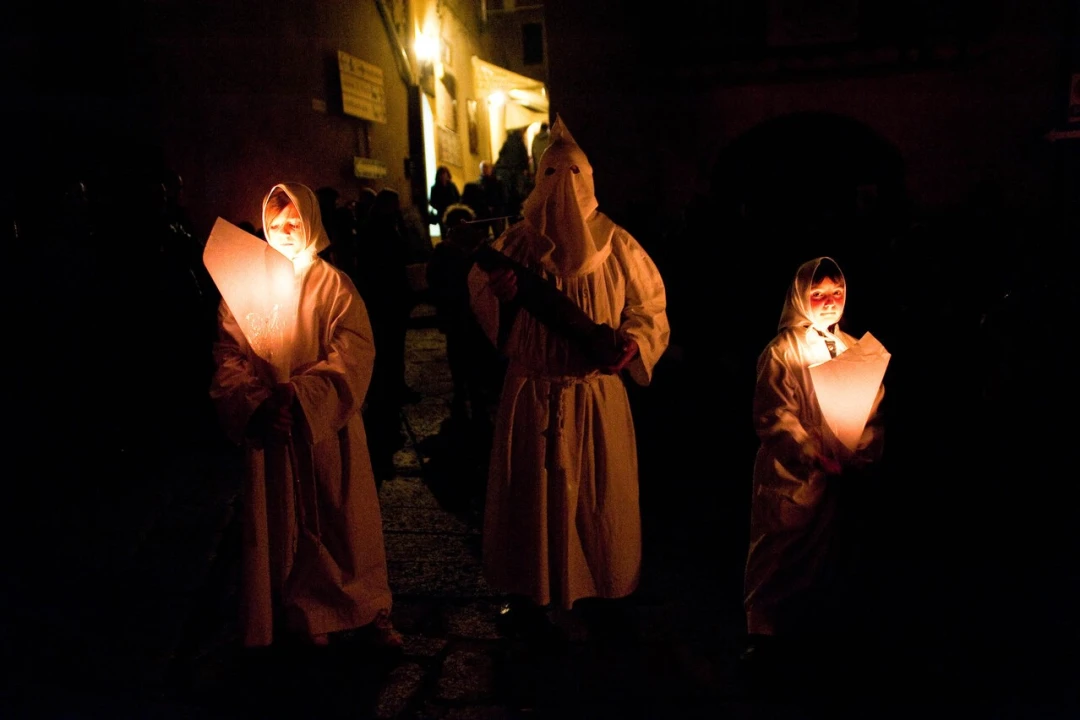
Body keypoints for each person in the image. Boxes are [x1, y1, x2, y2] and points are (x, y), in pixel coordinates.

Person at [468, 116, 670, 637]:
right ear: (539, 178)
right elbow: (481, 297)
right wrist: (502, 298)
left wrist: (634, 342)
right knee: (532, 495)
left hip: (592, 391)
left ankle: (599, 583)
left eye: (573, 172)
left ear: (590, 177)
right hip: (533, 390)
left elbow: (649, 307)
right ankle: (532, 588)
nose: (563, 184)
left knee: (596, 498)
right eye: (552, 172)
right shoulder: (516, 245)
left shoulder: (617, 244)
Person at [209, 182, 402, 650]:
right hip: (274, 431)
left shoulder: (333, 285)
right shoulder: (244, 282)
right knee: (281, 522)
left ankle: (361, 608)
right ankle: (295, 614)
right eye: (276, 223)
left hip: (325, 428)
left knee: (342, 520)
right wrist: (258, 404)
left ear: (312, 221)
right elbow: (229, 354)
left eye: (295, 220)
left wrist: (301, 396)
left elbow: (353, 350)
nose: (286, 230)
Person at [741, 256, 884, 670]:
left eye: (836, 293)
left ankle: (812, 641)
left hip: (839, 476)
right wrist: (809, 452)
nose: (829, 301)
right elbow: (774, 414)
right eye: (818, 294)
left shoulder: (854, 349)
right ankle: (764, 640)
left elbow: (871, 410)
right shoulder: (782, 351)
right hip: (793, 475)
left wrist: (859, 453)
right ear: (801, 296)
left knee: (826, 559)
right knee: (778, 552)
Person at [429, 165, 461, 240]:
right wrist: (439, 207)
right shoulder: (434, 188)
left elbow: (458, 197)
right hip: (442, 214)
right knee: (444, 234)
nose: (443, 176)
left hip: (453, 213)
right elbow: (432, 201)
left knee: (454, 233)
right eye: (441, 174)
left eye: (444, 174)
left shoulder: (452, 186)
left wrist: (456, 206)